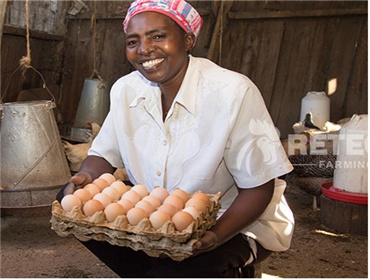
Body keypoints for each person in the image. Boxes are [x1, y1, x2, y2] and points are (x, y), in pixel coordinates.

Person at [57, 0, 295, 277]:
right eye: (133, 41)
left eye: (157, 36)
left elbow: (259, 188)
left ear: (188, 39)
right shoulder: (126, 90)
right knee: (71, 199)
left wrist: (215, 237)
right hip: (156, 220)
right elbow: (104, 155)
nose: (144, 49)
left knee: (182, 265)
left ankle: (228, 269)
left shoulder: (232, 93)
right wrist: (85, 177)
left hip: (230, 221)